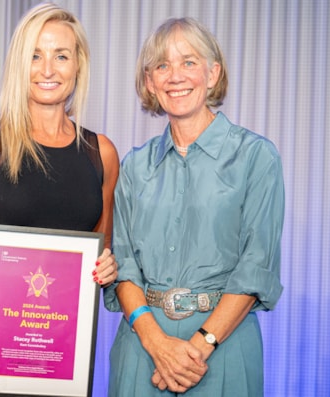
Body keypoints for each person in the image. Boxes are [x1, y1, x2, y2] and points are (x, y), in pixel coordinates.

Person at [0, 3, 120, 396]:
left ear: (78, 65)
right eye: (35, 55)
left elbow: (101, 251)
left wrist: (108, 266)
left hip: (58, 367)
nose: (48, 69)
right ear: (20, 64)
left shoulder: (101, 153)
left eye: (61, 55)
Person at [104, 17, 284, 396]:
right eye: (162, 65)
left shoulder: (256, 157)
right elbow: (124, 267)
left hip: (223, 351)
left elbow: (256, 266)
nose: (175, 76)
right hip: (142, 352)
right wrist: (158, 345)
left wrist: (196, 349)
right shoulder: (134, 167)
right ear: (150, 82)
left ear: (213, 73)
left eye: (189, 62)